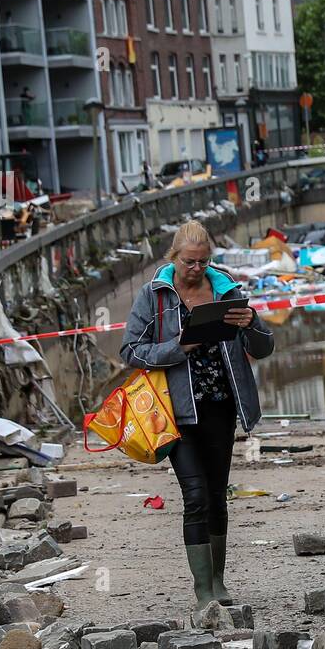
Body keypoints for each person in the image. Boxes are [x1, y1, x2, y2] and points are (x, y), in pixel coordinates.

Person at [120, 221, 275, 612]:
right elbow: (131, 351)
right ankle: (203, 590)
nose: (197, 268)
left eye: (204, 261)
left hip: (221, 406)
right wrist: (179, 346)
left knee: (218, 495)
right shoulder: (154, 295)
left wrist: (251, 322)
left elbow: (264, 346)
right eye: (190, 261)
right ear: (174, 257)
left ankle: (219, 582)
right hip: (177, 411)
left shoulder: (227, 289)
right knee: (196, 496)